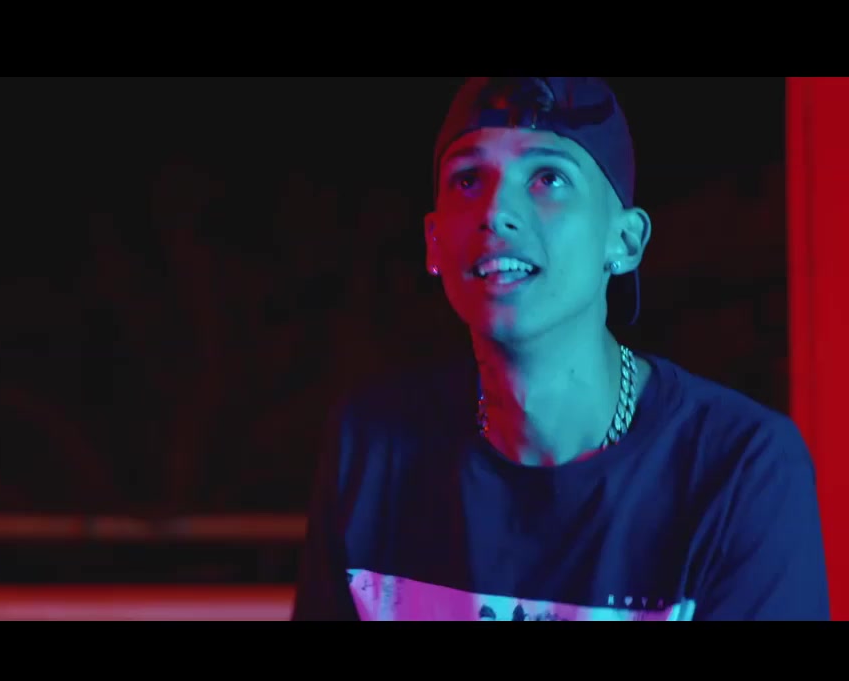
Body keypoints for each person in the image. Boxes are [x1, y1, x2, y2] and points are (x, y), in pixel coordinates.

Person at [290, 77, 831, 621]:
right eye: (468, 180)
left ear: (624, 241)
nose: (496, 210)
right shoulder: (371, 448)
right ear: (433, 242)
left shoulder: (739, 470)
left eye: (548, 178)